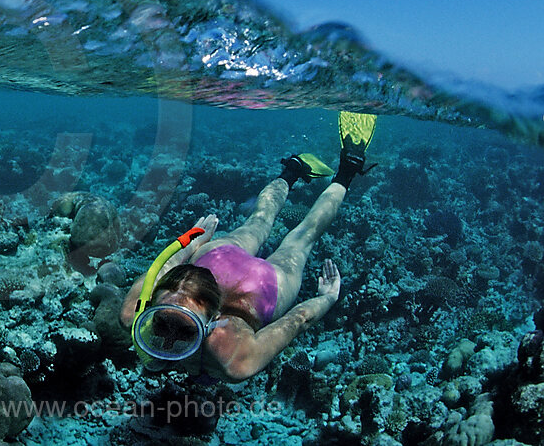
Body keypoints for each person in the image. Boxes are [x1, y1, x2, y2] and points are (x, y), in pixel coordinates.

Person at [119, 112, 377, 383]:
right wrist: (191, 241)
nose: (167, 343)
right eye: (159, 324)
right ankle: (295, 171)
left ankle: (344, 170)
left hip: (258, 289)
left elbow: (299, 320)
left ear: (212, 324)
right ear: (149, 308)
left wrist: (326, 299)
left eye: (186, 332)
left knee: (301, 237)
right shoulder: (132, 315)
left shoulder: (235, 363)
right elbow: (163, 268)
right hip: (218, 261)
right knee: (269, 223)